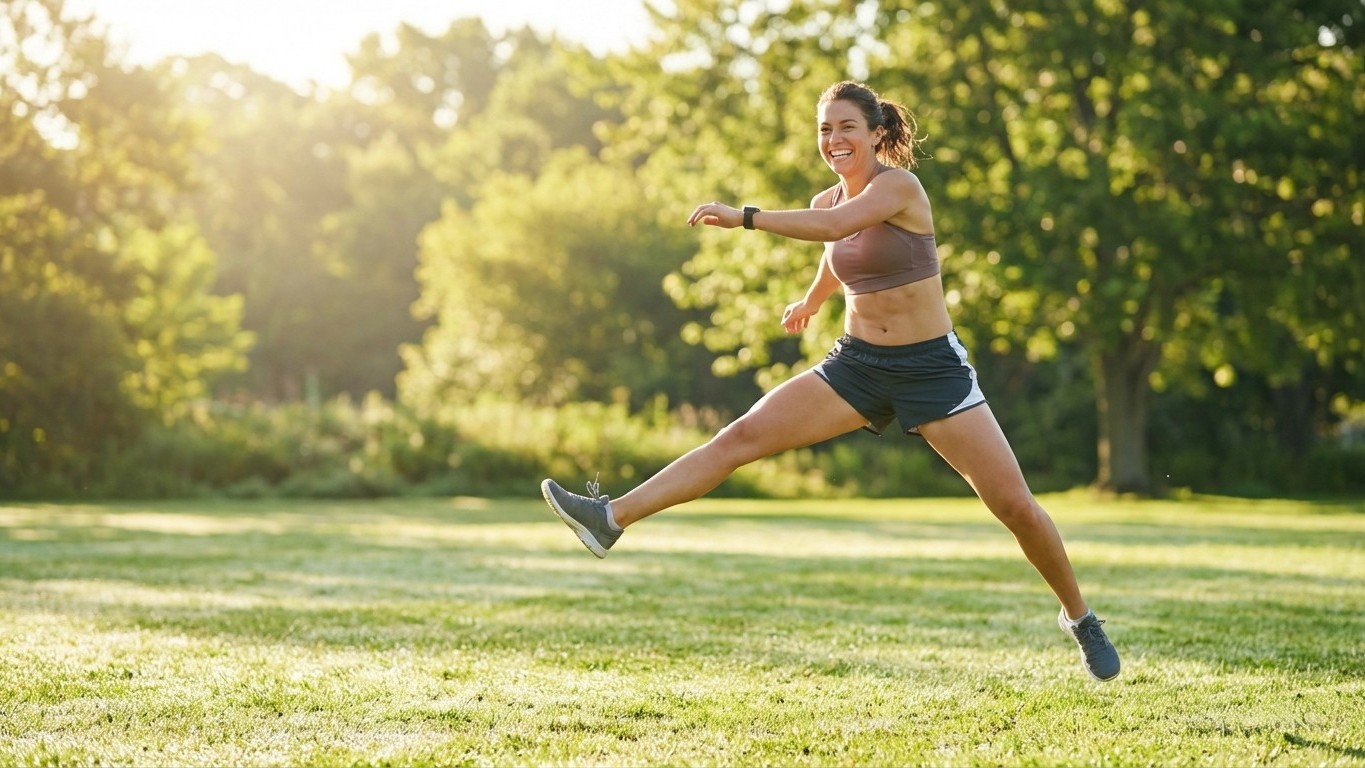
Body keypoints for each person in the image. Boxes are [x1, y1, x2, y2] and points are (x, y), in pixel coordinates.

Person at [540, 80, 1120, 681]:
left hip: (932, 370)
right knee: (739, 439)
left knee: (1014, 506)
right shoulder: (827, 201)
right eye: (824, 129)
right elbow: (836, 248)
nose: (834, 139)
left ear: (874, 133)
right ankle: (609, 519)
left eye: (845, 127)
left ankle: (1080, 618)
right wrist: (812, 299)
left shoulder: (899, 187)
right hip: (857, 365)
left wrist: (744, 217)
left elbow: (839, 225)